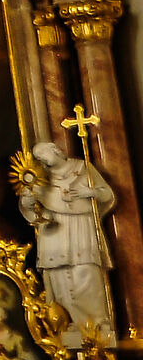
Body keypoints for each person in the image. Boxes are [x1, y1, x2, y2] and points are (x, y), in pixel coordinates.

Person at [18, 142, 117, 344]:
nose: (41, 159)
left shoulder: (82, 168)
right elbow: (32, 212)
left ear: (56, 150)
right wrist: (28, 203)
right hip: (55, 232)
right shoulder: (40, 179)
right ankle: (70, 323)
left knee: (86, 272)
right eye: (38, 157)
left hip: (81, 227)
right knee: (59, 275)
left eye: (42, 154)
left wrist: (91, 193)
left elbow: (107, 195)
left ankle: (97, 324)